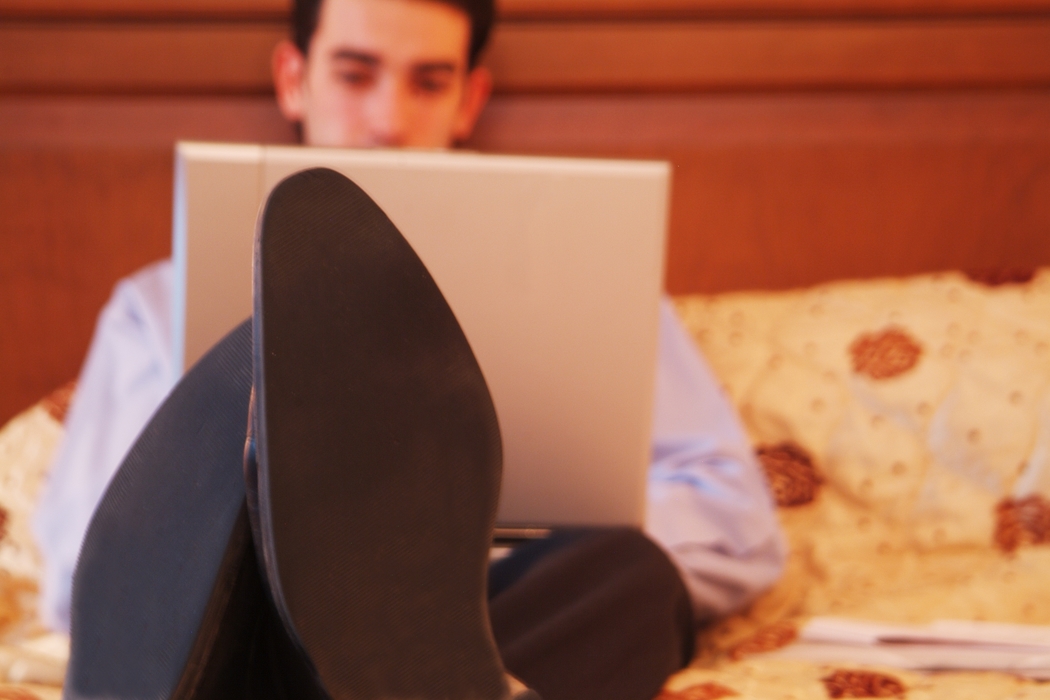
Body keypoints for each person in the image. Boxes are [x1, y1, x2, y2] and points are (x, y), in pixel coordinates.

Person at [34, 0, 787, 697]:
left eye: (428, 83)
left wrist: (450, 548)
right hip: (255, 625)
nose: (387, 120)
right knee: (179, 597)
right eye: (355, 75)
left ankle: (410, 655)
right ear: (293, 81)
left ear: (470, 101)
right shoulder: (157, 304)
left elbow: (738, 523)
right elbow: (90, 574)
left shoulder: (595, 294)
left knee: (633, 578)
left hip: (480, 617)